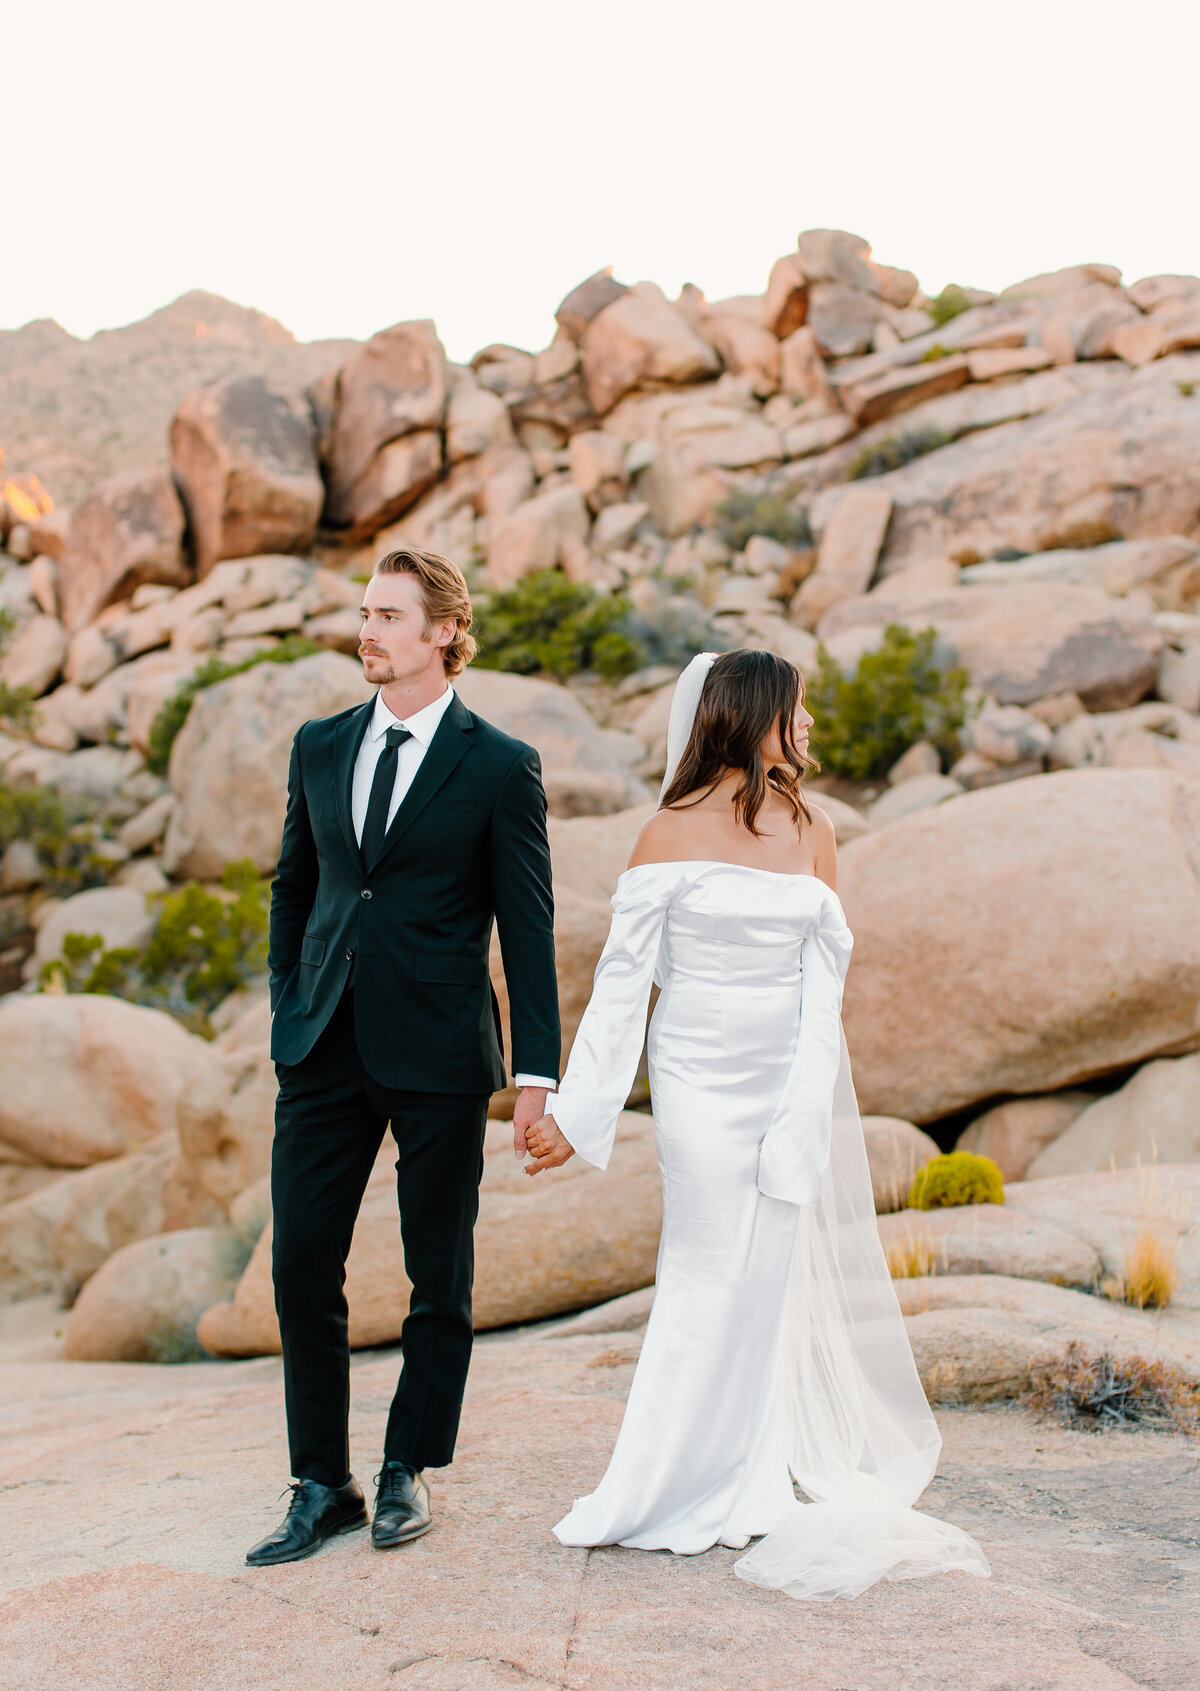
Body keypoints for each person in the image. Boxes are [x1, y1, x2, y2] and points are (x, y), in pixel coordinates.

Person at [523, 649, 990, 1601]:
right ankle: (657, 1486)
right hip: (696, 1078)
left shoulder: (814, 830)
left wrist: (807, 1102)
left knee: (766, 1275)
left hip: (788, 1076)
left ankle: (751, 1476)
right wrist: (576, 1111)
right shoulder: (664, 833)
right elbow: (621, 988)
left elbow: (828, 986)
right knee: (703, 1268)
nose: (808, 722)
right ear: (749, 717)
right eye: (796, 707)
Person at [246, 547, 561, 1567]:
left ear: (441, 632)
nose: (367, 629)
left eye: (388, 615)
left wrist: (537, 1077)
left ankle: (406, 1465)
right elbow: (297, 886)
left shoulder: (499, 764)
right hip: (323, 1041)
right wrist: (288, 998)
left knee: (441, 1273)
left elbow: (528, 926)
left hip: (437, 1049)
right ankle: (317, 1479)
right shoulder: (320, 743)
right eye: (365, 610)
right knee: (301, 1263)